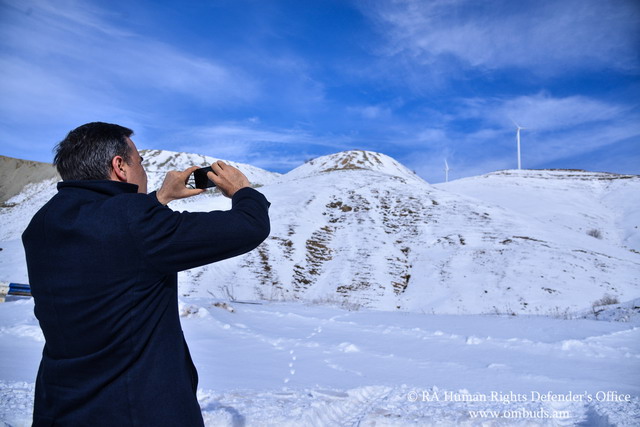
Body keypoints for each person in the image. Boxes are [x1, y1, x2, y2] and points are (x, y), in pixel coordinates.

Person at [22, 122, 271, 426]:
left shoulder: (44, 222)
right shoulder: (133, 222)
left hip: (60, 406)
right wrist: (243, 191)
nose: (144, 171)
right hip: (137, 410)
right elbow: (249, 227)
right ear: (120, 167)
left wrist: (158, 199)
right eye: (139, 162)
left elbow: (114, 242)